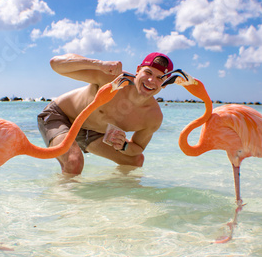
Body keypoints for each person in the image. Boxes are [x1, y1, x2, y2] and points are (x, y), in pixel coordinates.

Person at [37, 52, 174, 174]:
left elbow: (138, 147)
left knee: (135, 161)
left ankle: (112, 196)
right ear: (138, 70)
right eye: (148, 73)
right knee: (74, 161)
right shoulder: (113, 78)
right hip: (60, 116)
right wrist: (99, 64)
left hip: (92, 132)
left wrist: (124, 145)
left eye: (160, 78)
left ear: (165, 83)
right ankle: (62, 199)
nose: (151, 81)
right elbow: (55, 63)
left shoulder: (153, 116)